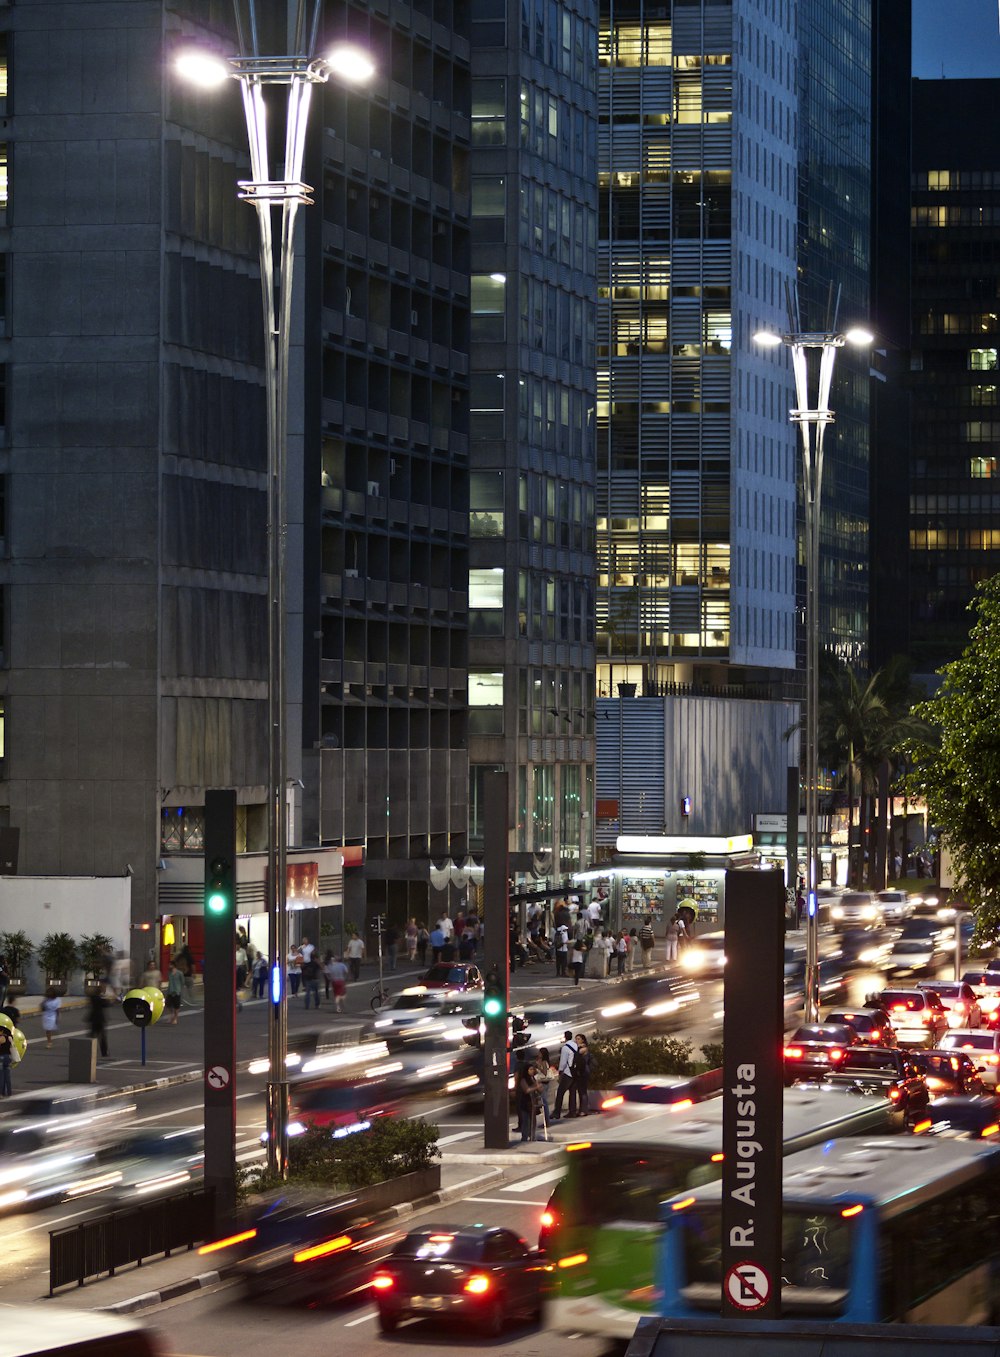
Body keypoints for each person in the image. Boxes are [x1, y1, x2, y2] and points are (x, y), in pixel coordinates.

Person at [552, 1031, 579, 1120]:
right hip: (575, 1072)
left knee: (560, 1093)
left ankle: (557, 1112)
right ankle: (573, 1111)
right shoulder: (575, 1045)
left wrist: (560, 1071)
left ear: (565, 1037)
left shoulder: (565, 1048)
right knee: (572, 1092)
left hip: (568, 1072)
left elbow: (563, 1062)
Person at [516, 1059, 539, 1143]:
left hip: (532, 1102)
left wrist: (538, 1087)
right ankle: (525, 1137)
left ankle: (532, 1135)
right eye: (530, 1069)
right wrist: (535, 1087)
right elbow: (526, 1090)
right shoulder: (523, 1080)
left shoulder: (533, 1078)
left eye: (533, 1069)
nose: (532, 1071)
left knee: (533, 1121)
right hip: (525, 1102)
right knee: (526, 1121)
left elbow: (540, 1089)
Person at [535, 1047, 555, 1134]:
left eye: (540, 1053)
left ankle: (546, 1122)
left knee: (544, 1102)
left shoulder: (543, 1062)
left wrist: (538, 1065)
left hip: (543, 1083)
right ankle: (546, 1122)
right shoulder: (545, 1062)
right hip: (544, 1083)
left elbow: (544, 1073)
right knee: (543, 1101)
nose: (538, 1054)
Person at [87, 982, 110, 1056]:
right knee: (102, 1036)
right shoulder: (101, 998)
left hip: (93, 1018)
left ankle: (91, 1050)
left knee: (93, 1035)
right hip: (100, 1019)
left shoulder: (93, 997)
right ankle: (104, 1052)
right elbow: (106, 1004)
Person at [572, 1034, 591, 1116]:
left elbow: (576, 1054)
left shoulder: (583, 1048)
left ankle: (584, 1110)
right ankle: (581, 1109)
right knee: (580, 1091)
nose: (577, 1040)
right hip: (579, 1071)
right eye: (576, 1039)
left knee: (583, 1091)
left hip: (584, 1071)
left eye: (578, 1039)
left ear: (583, 1040)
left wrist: (578, 1046)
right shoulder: (578, 1047)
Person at [166, 959, 184, 1024]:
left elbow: (182, 982)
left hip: (177, 991)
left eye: (170, 965)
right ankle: (171, 1015)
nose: (169, 966)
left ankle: (175, 1018)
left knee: (176, 1006)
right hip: (170, 991)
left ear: (173, 965)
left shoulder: (179, 973)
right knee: (168, 1004)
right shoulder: (169, 973)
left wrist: (179, 989)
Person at [0, 1025, 12, 1096]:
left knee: (1, 1076)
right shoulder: (9, 1035)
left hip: (1, 1057)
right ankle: (9, 1092)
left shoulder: (2, 1037)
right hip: (8, 1056)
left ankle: (1, 1093)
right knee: (7, 1076)